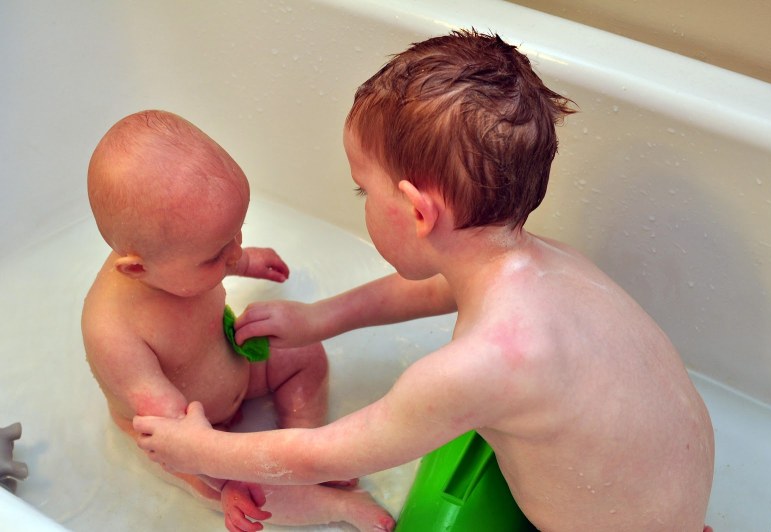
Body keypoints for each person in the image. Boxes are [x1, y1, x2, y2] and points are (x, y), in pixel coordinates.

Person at [134, 31, 715, 531]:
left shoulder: (476, 369)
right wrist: (320, 319)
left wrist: (205, 449)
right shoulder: (543, 263)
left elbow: (325, 453)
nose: (361, 199)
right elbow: (435, 287)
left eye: (364, 189)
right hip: (672, 497)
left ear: (416, 212)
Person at [82, 110, 395, 532]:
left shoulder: (174, 252)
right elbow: (168, 431)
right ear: (137, 270)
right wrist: (216, 471)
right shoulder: (114, 331)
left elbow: (215, 253)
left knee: (303, 352)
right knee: (247, 492)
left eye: (238, 234)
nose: (232, 254)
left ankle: (304, 442)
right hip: (182, 433)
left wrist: (245, 261)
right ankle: (333, 506)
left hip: (235, 367)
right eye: (216, 255)